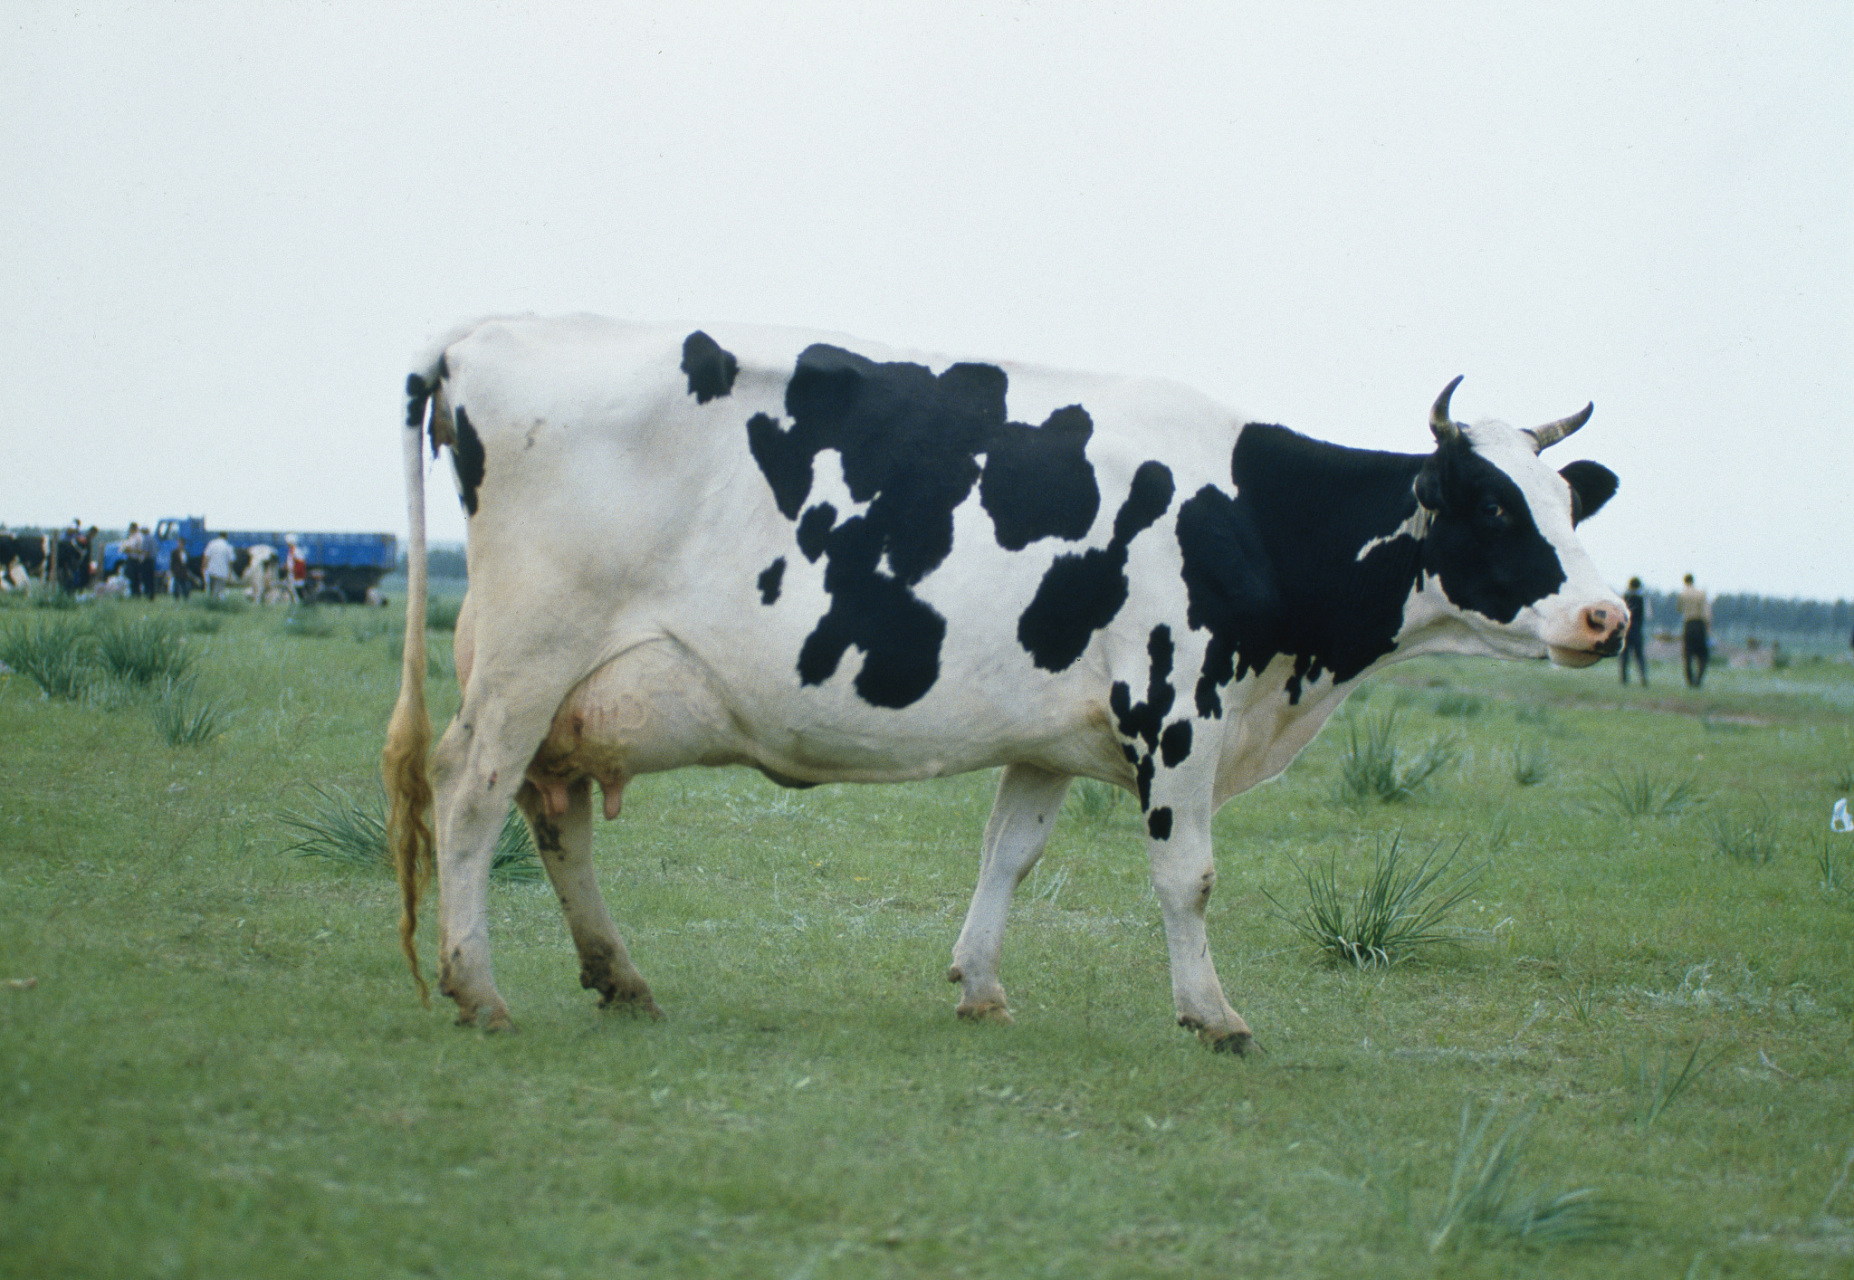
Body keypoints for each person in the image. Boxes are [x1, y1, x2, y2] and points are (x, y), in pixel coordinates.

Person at [1678, 572, 1711, 688]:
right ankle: (1698, 679)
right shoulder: (1701, 593)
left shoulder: (1682, 594)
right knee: (1703, 655)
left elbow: (1679, 609)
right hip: (1699, 624)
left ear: (1684, 582)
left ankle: (1689, 680)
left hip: (1688, 624)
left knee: (1687, 654)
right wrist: (1708, 629)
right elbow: (1707, 613)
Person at [1619, 577, 1649, 686]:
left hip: (1626, 630)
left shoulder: (1625, 597)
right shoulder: (1641, 598)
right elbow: (1644, 615)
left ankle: (1624, 679)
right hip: (1637, 629)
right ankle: (1643, 678)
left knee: (1624, 656)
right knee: (1639, 656)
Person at [202, 533, 235, 599]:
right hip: (222, 573)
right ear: (226, 537)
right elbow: (230, 561)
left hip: (211, 571)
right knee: (219, 591)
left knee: (211, 591)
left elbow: (206, 557)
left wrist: (204, 567)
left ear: (219, 535)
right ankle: (216, 603)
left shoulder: (211, 544)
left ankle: (211, 602)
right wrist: (230, 573)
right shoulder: (228, 546)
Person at [284, 535, 309, 603]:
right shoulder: (292, 551)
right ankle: (299, 603)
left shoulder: (296, 551)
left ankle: (302, 603)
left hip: (296, 575)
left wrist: (292, 569)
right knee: (294, 590)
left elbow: (300, 564)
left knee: (298, 591)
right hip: (292, 574)